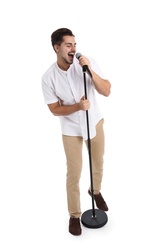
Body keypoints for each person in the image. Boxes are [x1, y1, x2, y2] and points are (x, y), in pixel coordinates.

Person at [41, 28, 111, 236]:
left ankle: (95, 191)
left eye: (75, 44)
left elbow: (107, 90)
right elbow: (54, 110)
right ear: (57, 48)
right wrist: (77, 107)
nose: (74, 49)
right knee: (74, 172)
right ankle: (74, 215)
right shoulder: (48, 78)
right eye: (68, 45)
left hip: (94, 122)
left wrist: (90, 70)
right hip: (70, 129)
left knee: (98, 162)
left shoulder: (86, 64)